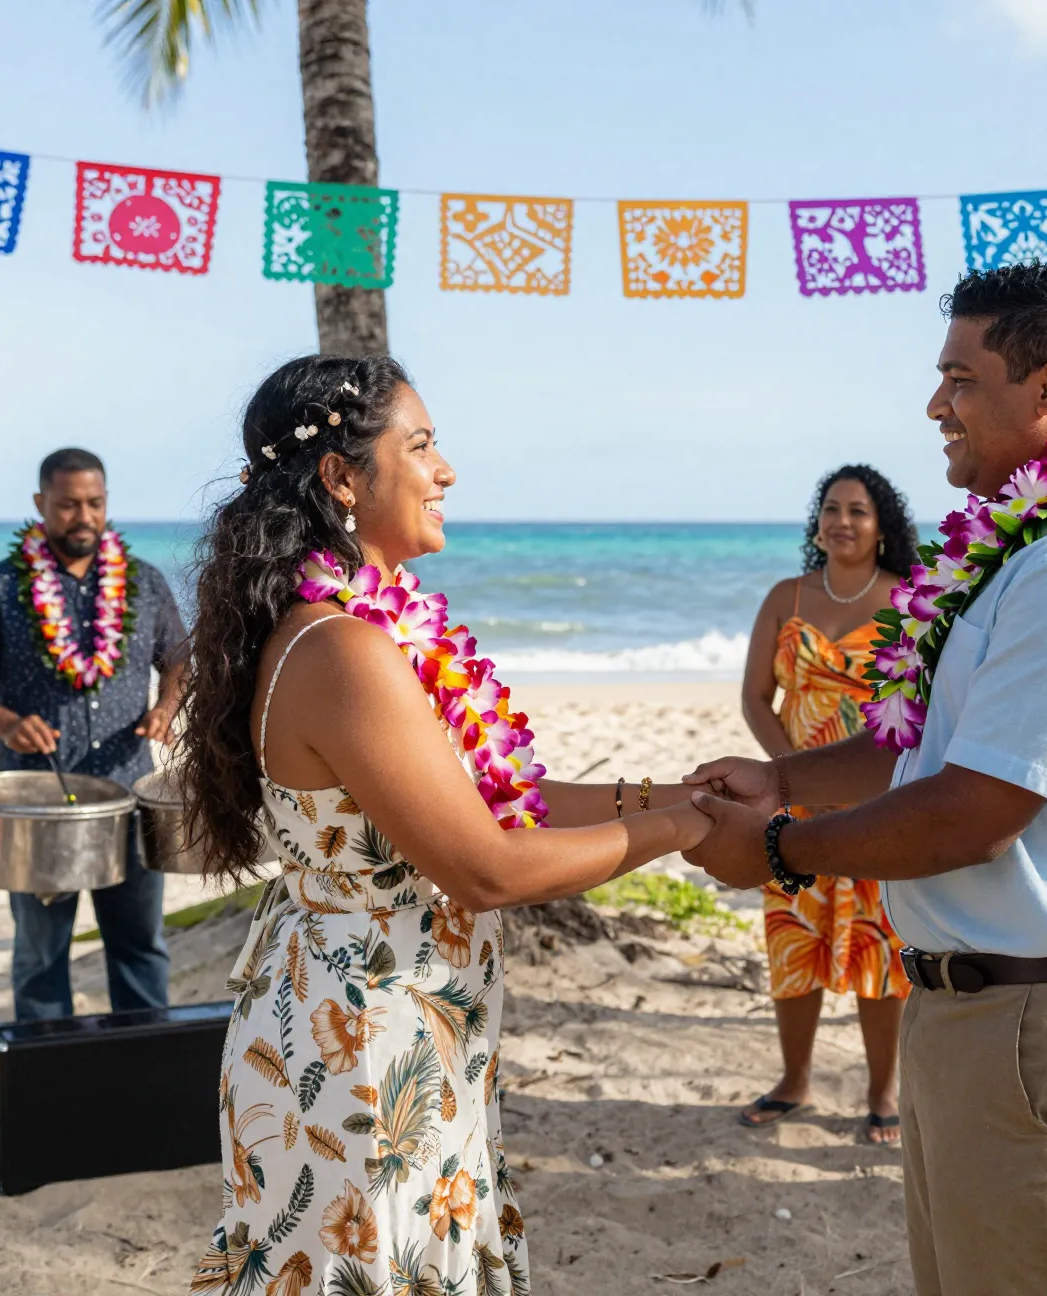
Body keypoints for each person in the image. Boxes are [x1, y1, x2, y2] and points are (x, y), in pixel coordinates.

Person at [683, 263, 1047, 1295]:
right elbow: (920, 742)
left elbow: (977, 811)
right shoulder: (1023, 549)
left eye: (961, 380)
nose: (936, 406)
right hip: (985, 1012)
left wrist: (780, 853)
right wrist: (779, 778)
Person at [178, 355, 711, 1295]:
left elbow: (502, 801)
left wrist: (670, 794)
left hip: (404, 1018)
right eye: (420, 445)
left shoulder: (369, 632)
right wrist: (689, 832)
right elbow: (488, 867)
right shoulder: (343, 648)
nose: (447, 470)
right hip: (362, 1043)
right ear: (343, 478)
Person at [0, 449, 187, 1021]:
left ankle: (143, 1068)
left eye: (95, 503)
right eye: (69, 504)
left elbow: (179, 657)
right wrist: (6, 723)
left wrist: (168, 707)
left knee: (139, 946)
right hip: (38, 803)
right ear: (39, 504)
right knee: (40, 951)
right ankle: (48, 1085)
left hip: (128, 796)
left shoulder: (143, 582)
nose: (84, 516)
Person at [737, 464, 916, 1145]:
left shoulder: (907, 600)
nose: (842, 521)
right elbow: (756, 696)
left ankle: (881, 1092)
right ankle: (795, 1080)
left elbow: (917, 708)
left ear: (881, 527)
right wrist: (790, 773)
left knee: (878, 945)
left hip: (878, 799)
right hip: (793, 802)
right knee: (793, 940)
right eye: (832, 509)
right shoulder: (788, 595)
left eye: (859, 511)